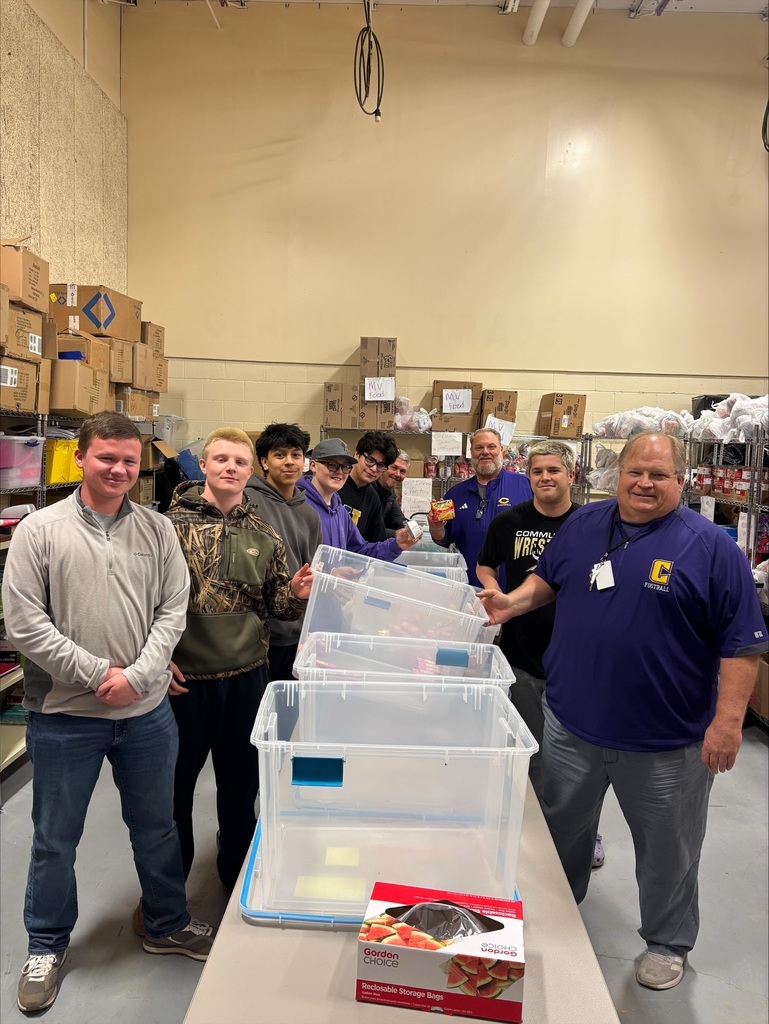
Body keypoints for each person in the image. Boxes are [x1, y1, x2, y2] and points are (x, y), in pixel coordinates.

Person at [479, 431, 767, 991]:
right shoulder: (585, 525)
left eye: (659, 475)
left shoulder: (712, 549)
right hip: (571, 724)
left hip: (665, 740)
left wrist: (728, 722)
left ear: (680, 481)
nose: (644, 483)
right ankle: (560, 913)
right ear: (617, 473)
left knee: (668, 848)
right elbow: (549, 580)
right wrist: (511, 603)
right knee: (562, 832)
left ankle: (666, 941)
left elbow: (743, 644)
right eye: (636, 471)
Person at [2, 411, 216, 1015]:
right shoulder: (38, 531)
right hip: (66, 716)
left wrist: (142, 676)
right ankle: (45, 945)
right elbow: (24, 625)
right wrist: (99, 676)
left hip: (147, 715)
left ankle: (166, 923)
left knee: (157, 828)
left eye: (129, 460)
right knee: (54, 840)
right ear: (80, 457)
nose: (120, 470)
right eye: (107, 458)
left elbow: (173, 610)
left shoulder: (156, 530)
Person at [165, 428, 312, 893]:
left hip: (248, 678)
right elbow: (143, 603)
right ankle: (167, 897)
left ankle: (235, 882)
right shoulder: (166, 526)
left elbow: (277, 608)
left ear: (252, 472)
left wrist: (297, 594)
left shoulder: (263, 533)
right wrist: (152, 660)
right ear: (204, 465)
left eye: (240, 462)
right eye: (221, 459)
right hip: (181, 683)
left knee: (239, 790)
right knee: (172, 795)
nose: (231, 467)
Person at [245, 423, 322, 681]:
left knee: (287, 709)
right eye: (280, 455)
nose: (289, 462)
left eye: (296, 455)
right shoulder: (246, 503)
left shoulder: (309, 514)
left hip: (296, 635)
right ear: (264, 463)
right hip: (257, 637)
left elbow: (311, 571)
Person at [428, 428, 532, 587]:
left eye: (491, 447)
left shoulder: (525, 485)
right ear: (471, 452)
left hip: (518, 589)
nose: (485, 452)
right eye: (479, 448)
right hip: (471, 587)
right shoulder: (456, 494)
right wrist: (436, 528)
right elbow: (444, 539)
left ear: (501, 451)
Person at [298, 438, 418, 558]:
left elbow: (360, 549)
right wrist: (332, 570)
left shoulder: (339, 510)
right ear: (313, 466)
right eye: (332, 465)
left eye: (345, 467)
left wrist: (396, 545)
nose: (340, 472)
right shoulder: (298, 504)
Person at [337, 430, 398, 542]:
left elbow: (375, 543)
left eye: (381, 465)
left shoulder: (373, 499)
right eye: (370, 460)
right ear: (356, 454)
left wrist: (396, 544)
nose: (374, 469)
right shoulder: (334, 482)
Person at [373, 448, 409, 537]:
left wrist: (411, 527)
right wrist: (396, 534)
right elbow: (368, 530)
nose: (397, 474)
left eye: (402, 471)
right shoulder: (369, 490)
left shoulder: (389, 492)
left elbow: (396, 517)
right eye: (394, 467)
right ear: (383, 467)